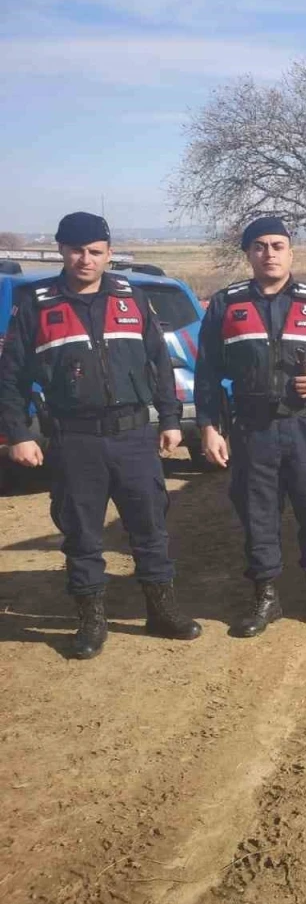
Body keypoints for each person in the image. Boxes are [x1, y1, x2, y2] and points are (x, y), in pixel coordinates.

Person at [0, 212, 201, 658]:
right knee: (82, 535)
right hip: (75, 441)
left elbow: (159, 364)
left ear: (109, 253)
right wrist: (18, 433)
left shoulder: (133, 298)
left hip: (134, 436)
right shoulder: (36, 304)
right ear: (61, 250)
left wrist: (171, 419)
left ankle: (162, 610)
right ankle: (91, 621)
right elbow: (10, 378)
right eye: (76, 250)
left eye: (95, 251)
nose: (85, 260)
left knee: (150, 529)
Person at [195, 217, 306, 637]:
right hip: (252, 428)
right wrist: (209, 427)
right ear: (248, 253)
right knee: (258, 514)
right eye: (260, 246)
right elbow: (207, 372)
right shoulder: (226, 305)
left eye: (277, 245)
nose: (269, 253)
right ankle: (266, 596)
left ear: (290, 251)